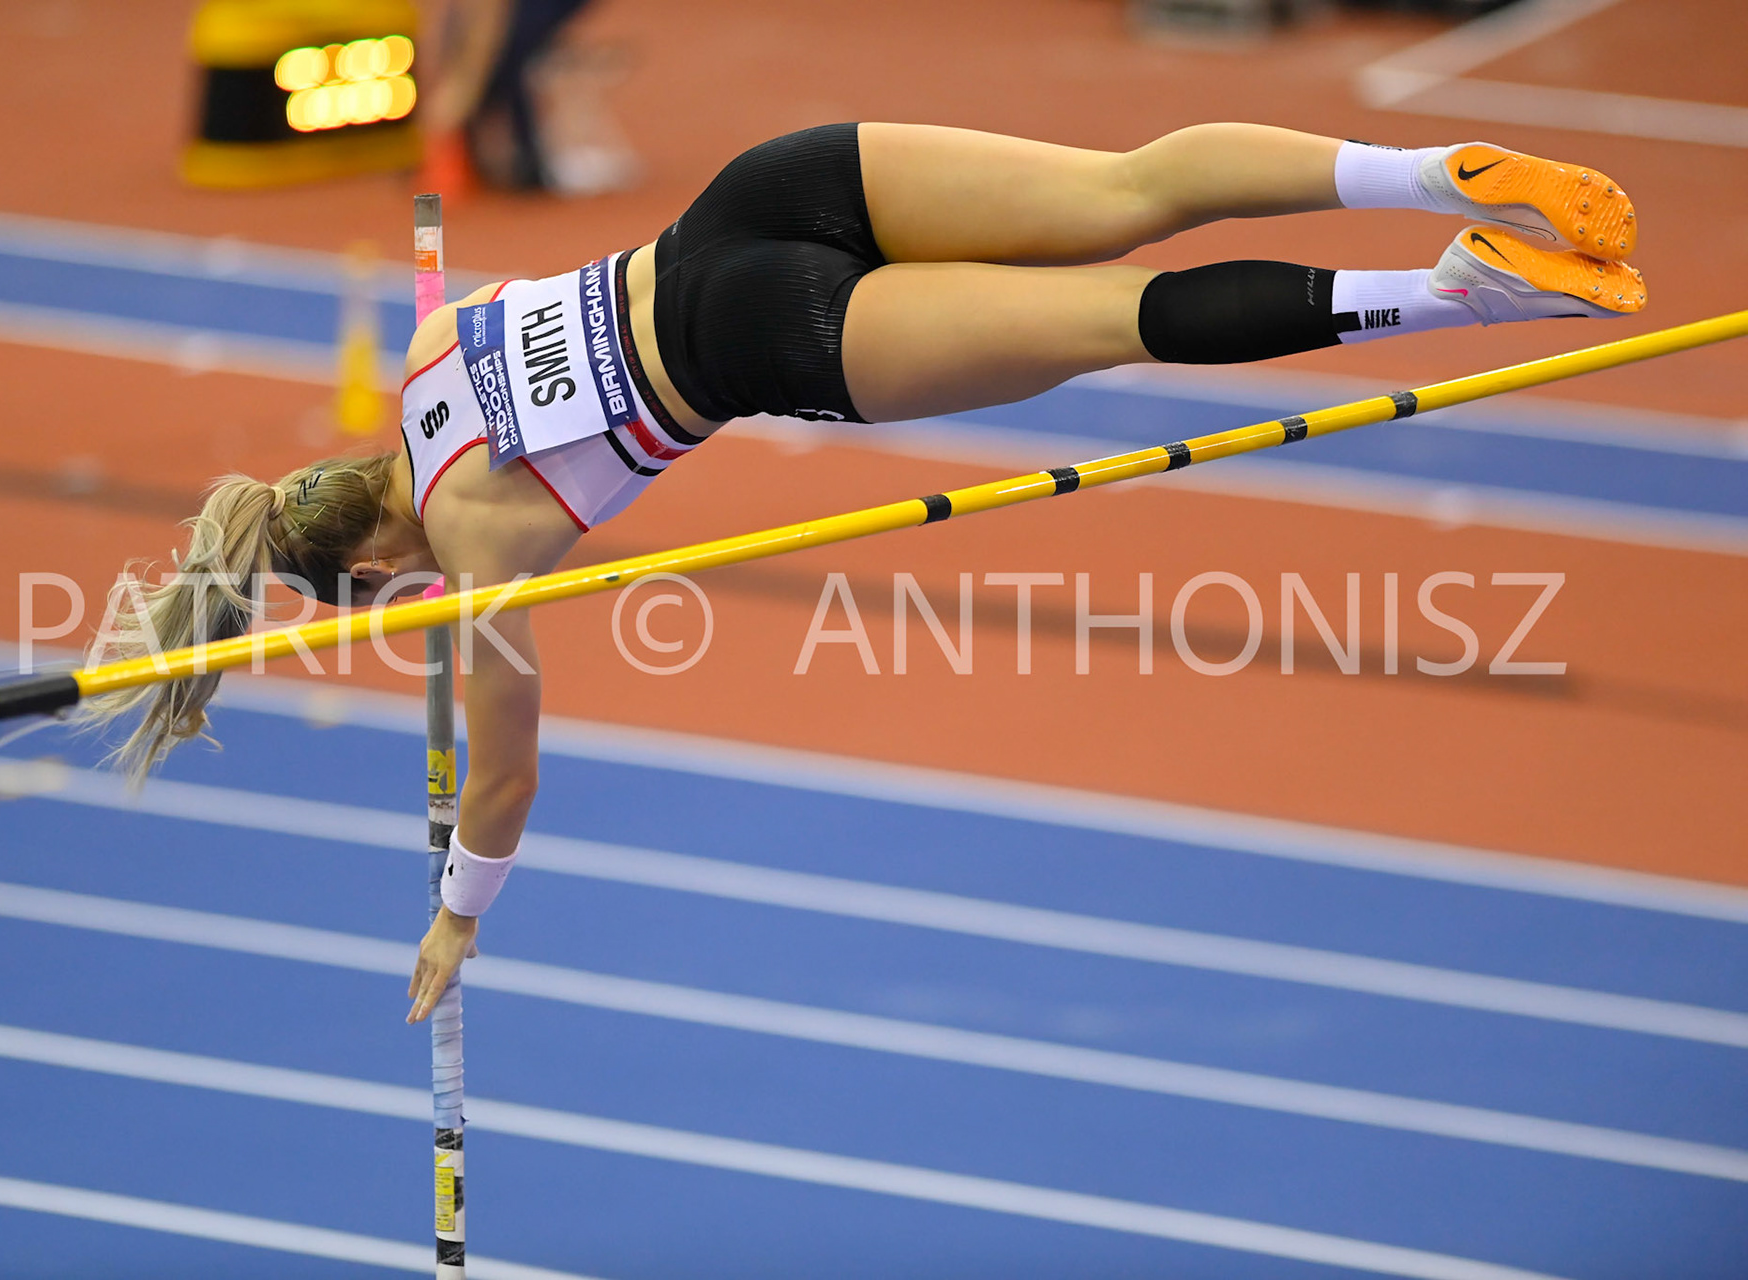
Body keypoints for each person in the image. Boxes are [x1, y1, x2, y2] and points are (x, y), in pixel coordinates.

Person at [80, 122, 1644, 1021]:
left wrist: (458, 914)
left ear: (376, 557)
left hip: (760, 339)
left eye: (385, 593)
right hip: (756, 197)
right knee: (1125, 190)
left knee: (1116, 317)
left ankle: (1456, 292)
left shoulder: (484, 545)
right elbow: (481, 379)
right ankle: (1434, 171)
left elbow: (504, 784)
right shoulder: (426, 338)